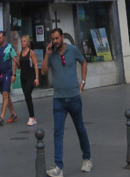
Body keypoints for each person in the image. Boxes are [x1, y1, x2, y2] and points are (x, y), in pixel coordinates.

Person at [41, 27, 92, 176]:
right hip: (58, 99)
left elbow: (83, 62)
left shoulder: (73, 50)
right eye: (53, 39)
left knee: (80, 128)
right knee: (58, 132)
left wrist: (83, 81)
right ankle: (58, 166)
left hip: (74, 96)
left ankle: (87, 158)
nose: (55, 41)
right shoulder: (51, 53)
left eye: (57, 38)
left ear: (62, 37)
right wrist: (47, 54)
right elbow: (43, 71)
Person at [0, 30, 17, 124]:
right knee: (6, 95)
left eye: (0, 38)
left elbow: (14, 60)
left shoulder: (9, 47)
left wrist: (13, 74)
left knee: (5, 94)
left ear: (4, 38)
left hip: (7, 73)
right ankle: (14, 114)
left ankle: (1, 116)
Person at [15, 34, 40, 126]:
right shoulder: (20, 53)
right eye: (21, 41)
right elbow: (19, 67)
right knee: (26, 96)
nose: (22, 43)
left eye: (24, 41)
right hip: (23, 77)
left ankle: (32, 117)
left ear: (28, 42)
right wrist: (16, 62)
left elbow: (36, 65)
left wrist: (37, 78)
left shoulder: (31, 53)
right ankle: (33, 117)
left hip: (31, 76)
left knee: (28, 94)